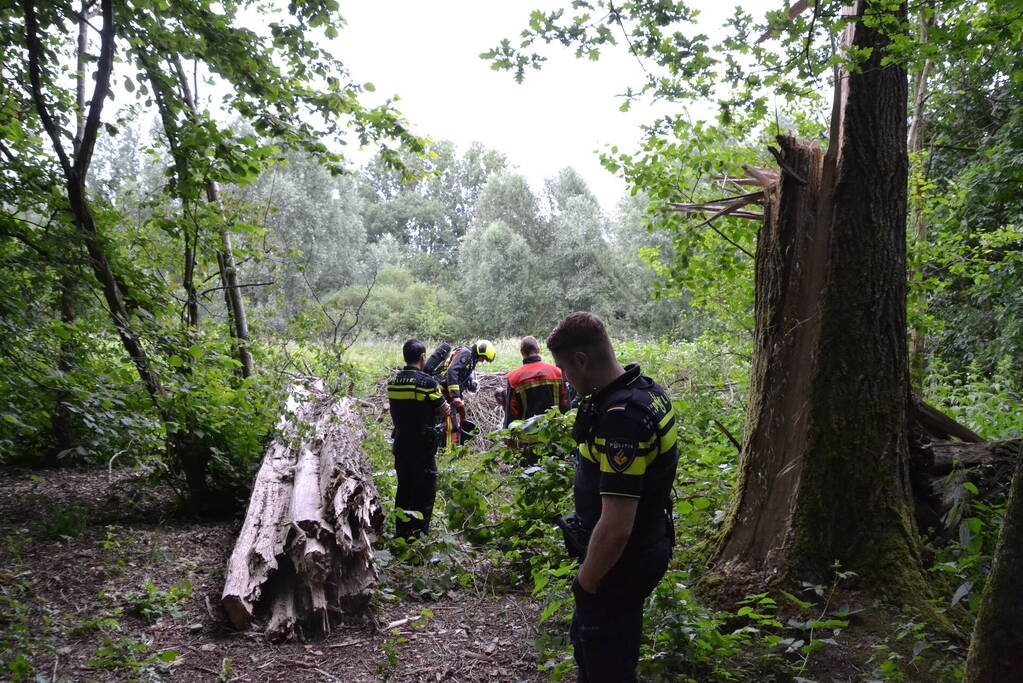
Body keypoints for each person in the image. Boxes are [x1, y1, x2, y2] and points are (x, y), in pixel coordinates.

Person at [546, 312, 679, 682]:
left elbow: (618, 524)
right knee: (605, 651)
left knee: (605, 663)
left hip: (622, 561)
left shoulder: (623, 419)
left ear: (581, 360)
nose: (565, 379)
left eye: (563, 369)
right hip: (639, 548)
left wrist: (586, 582)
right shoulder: (646, 392)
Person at [386, 339, 449, 540]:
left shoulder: (393, 382)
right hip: (422, 445)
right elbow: (442, 408)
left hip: (401, 441)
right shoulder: (427, 383)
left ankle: (401, 535)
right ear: (422, 357)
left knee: (404, 488)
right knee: (424, 492)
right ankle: (418, 538)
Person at [502, 335, 570, 428]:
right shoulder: (557, 372)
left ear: (522, 352)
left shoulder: (514, 379)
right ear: (538, 350)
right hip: (554, 435)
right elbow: (565, 404)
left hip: (527, 437)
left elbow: (512, 413)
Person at [440, 339, 496, 445]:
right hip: (446, 392)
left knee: (455, 423)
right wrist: (455, 396)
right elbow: (452, 371)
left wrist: (470, 384)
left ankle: (451, 449)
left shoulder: (471, 359)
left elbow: (460, 375)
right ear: (481, 351)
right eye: (484, 358)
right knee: (451, 425)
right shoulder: (466, 353)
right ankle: (448, 452)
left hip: (450, 393)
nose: (482, 361)